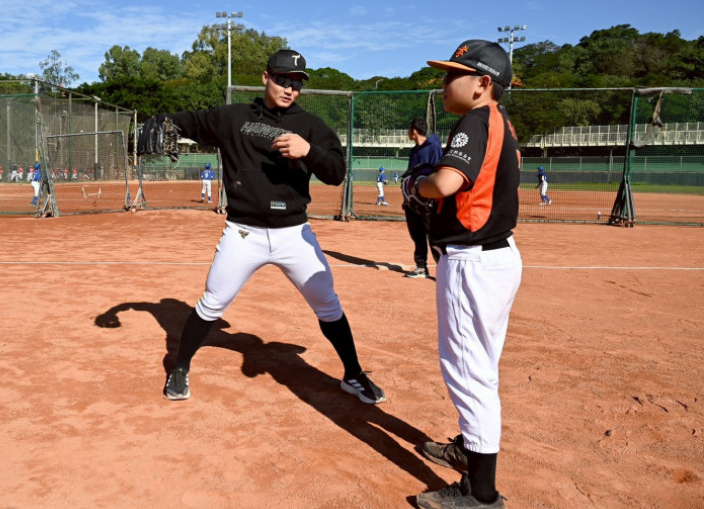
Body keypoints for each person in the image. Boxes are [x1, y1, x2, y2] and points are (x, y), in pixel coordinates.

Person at [159, 49, 385, 405]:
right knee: (213, 301)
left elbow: (336, 173)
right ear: (266, 77)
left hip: (294, 234)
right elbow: (185, 120)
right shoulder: (232, 117)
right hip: (243, 233)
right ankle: (180, 366)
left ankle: (353, 374)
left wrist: (308, 150)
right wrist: (159, 121)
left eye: (296, 83)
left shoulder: (312, 127)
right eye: (282, 79)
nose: (288, 88)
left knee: (327, 302)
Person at [403, 40, 522, 509]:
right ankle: (469, 451)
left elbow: (446, 183)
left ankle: (481, 493)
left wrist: (416, 186)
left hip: (473, 262)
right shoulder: (501, 124)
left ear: (483, 84)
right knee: (481, 366)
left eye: (455, 74)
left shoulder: (475, 121)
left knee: (468, 372)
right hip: (495, 258)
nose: (446, 82)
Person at [403, 118, 443, 279]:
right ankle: (421, 267)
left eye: (409, 129)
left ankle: (443, 268)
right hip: (412, 201)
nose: (408, 133)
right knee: (416, 234)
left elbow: (438, 170)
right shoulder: (414, 151)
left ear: (414, 131)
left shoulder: (433, 146)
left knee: (433, 236)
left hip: (428, 201)